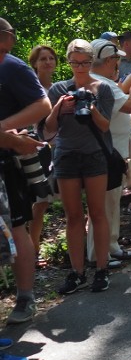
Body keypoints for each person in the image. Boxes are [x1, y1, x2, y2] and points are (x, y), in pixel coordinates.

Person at [43, 39, 115, 294]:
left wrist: (91, 104)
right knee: (73, 216)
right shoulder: (59, 90)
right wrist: (61, 106)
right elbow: (48, 128)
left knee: (97, 214)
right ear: (68, 62)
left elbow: (105, 126)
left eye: (85, 62)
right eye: (75, 62)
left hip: (94, 155)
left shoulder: (103, 88)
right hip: (66, 156)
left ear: (91, 61)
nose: (80, 67)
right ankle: (77, 272)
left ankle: (102, 270)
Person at [0, 19, 51, 323]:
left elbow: (42, 105)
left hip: (7, 163)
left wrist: (4, 129)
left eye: (7, 48)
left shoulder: (13, 67)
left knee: (17, 227)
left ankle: (25, 297)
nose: (4, 53)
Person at [88, 38, 131, 265]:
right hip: (107, 153)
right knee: (103, 206)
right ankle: (96, 254)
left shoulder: (103, 83)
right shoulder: (101, 84)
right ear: (108, 60)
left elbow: (120, 100)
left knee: (111, 203)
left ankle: (110, 245)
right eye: (116, 59)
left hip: (115, 152)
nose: (119, 63)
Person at [27, 44, 58, 262]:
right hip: (41, 152)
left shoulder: (59, 88)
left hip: (62, 149)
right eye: (42, 59)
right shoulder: (31, 91)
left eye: (51, 58)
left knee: (69, 198)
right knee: (40, 203)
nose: (47, 62)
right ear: (35, 64)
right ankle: (33, 250)